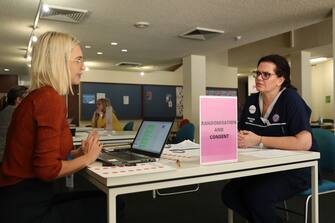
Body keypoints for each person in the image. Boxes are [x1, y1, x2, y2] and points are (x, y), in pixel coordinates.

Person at [0, 32, 123, 223]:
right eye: (78, 60)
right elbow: (47, 170)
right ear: (59, 62)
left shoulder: (36, 97)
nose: (83, 67)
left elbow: (45, 155)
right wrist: (89, 158)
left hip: (16, 199)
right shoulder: (49, 99)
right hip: (27, 205)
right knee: (114, 204)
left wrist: (78, 153)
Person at [221, 54, 317, 223]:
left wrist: (259, 139)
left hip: (296, 170)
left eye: (266, 74)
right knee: (229, 193)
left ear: (280, 79)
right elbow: (242, 132)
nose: (259, 78)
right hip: (264, 167)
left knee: (257, 196)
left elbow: (304, 142)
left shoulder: (291, 100)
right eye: (257, 73)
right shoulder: (252, 100)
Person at [0, 86, 28, 162]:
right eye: (28, 99)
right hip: (6, 158)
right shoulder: (16, 113)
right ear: (18, 100)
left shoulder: (6, 110)